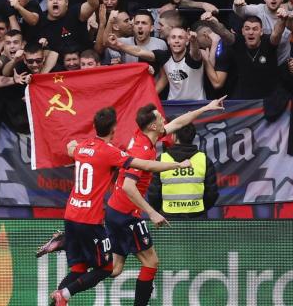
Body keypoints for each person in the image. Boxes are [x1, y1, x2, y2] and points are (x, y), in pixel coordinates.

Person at [49, 107, 190, 306]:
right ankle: (65, 294)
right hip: (93, 219)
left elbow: (70, 147)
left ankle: (60, 288)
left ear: (94, 127)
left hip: (71, 214)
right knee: (107, 269)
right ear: (114, 129)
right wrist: (177, 165)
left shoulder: (82, 146)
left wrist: (206, 107)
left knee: (91, 269)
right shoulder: (112, 153)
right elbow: (146, 167)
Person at [105, 98, 224, 305]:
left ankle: (69, 245)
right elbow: (128, 186)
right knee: (151, 263)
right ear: (152, 125)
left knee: (115, 269)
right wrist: (152, 213)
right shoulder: (141, 150)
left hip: (115, 210)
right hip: (126, 214)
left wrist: (206, 107)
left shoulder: (147, 136)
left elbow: (178, 123)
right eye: (160, 118)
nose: (164, 119)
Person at [148, 122, 219, 219]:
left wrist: (163, 211)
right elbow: (212, 194)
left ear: (173, 136)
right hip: (198, 219)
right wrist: (200, 211)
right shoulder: (204, 159)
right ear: (193, 137)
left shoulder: (161, 160)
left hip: (168, 219)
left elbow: (153, 195)